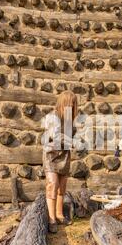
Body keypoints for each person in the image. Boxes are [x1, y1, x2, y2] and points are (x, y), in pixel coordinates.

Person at [41, 91, 84, 233]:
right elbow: (56, 135)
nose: (72, 105)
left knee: (62, 187)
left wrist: (79, 141)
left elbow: (75, 135)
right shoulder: (52, 117)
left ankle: (59, 214)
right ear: (63, 102)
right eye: (69, 102)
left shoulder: (71, 119)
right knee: (52, 184)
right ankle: (51, 218)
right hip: (51, 156)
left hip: (64, 156)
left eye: (73, 103)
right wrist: (72, 142)